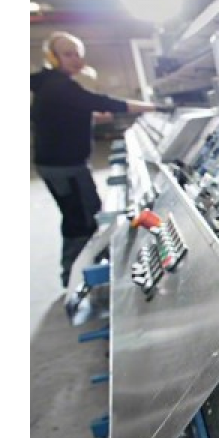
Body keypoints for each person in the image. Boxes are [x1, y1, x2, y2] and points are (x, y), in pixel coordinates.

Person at [31, 31, 158, 287]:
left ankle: (75, 272)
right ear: (53, 58)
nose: (76, 59)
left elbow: (63, 113)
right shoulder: (59, 85)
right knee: (82, 219)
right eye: (68, 54)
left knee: (80, 213)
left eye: (78, 54)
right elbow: (100, 101)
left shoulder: (48, 84)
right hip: (65, 166)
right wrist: (150, 107)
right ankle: (75, 278)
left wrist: (90, 116)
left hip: (57, 163)